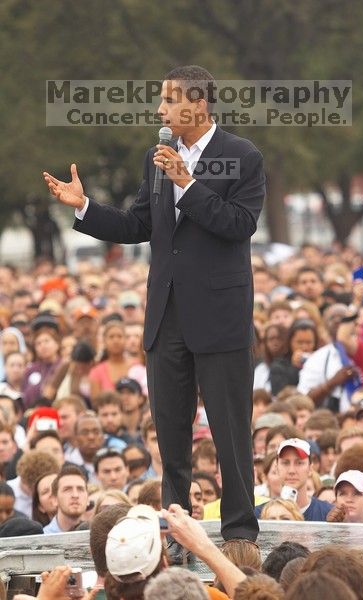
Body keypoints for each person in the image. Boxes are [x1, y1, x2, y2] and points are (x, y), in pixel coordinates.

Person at [43, 64, 265, 553]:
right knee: (170, 433)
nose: (160, 110)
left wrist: (188, 184)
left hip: (221, 316)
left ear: (199, 104)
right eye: (161, 100)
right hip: (167, 316)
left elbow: (238, 224)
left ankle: (240, 532)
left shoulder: (242, 156)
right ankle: (176, 527)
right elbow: (138, 223)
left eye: (169, 101)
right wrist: (84, 208)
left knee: (229, 432)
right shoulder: (156, 158)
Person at [43, 465, 88, 533]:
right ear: (54, 499)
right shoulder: (42, 536)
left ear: (88, 499)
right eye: (67, 490)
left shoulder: (98, 533)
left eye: (80, 489)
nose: (75, 495)